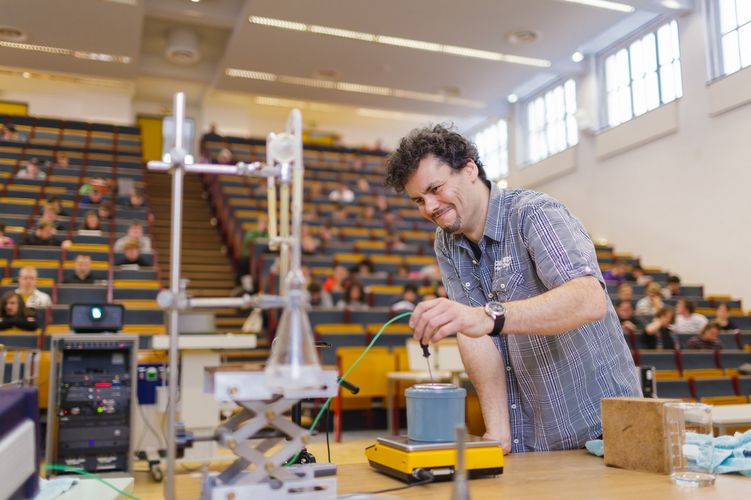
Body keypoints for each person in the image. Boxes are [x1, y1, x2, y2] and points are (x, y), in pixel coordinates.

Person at [385, 124, 640, 453]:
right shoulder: (446, 241)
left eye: (436, 188)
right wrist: (498, 432)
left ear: (469, 168)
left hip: (601, 430)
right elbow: (473, 331)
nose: (430, 207)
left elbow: (589, 300)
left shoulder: (533, 213)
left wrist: (489, 316)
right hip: (530, 439)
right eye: (419, 200)